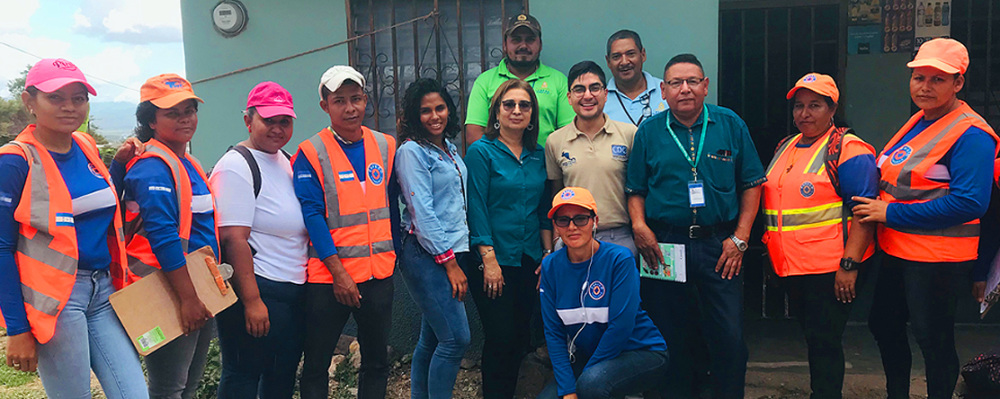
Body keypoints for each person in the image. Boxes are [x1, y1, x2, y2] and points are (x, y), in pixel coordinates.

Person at [853, 38, 999, 399]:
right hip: (898, 252)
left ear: (958, 83)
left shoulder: (971, 134)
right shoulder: (920, 122)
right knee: (883, 325)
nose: (925, 87)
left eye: (937, 79)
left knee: (933, 340)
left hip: (936, 260)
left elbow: (970, 203)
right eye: (919, 77)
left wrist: (890, 212)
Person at [0, 58, 148, 398]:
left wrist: (120, 166)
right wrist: (18, 329)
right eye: (56, 97)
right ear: (29, 102)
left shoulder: (85, 145)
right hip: (57, 300)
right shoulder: (15, 161)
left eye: (79, 97)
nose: (69, 107)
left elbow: (98, 202)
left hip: (103, 290)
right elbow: (2, 247)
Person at [625, 53, 766, 399]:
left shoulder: (730, 124)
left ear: (705, 86)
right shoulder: (649, 132)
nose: (684, 89)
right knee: (669, 333)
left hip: (721, 246)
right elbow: (635, 189)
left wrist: (742, 237)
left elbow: (752, 183)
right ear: (663, 90)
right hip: (664, 246)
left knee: (728, 335)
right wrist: (640, 226)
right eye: (675, 83)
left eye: (692, 81)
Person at [761, 73, 878, 399]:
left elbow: (865, 216)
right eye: (799, 106)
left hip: (832, 269)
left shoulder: (850, 150)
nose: (804, 113)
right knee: (814, 338)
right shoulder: (786, 145)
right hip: (794, 268)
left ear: (832, 109)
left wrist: (850, 264)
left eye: (815, 105)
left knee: (825, 341)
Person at [294, 65, 398, 399]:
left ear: (366, 100)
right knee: (316, 365)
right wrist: (339, 273)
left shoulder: (386, 146)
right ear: (325, 105)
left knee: (377, 362)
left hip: (378, 274)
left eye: (356, 99)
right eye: (340, 100)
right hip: (329, 279)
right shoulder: (311, 152)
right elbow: (312, 216)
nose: (350, 108)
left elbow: (392, 206)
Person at [122, 73, 219, 399]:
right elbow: (164, 235)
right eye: (172, 113)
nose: (184, 118)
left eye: (189, 110)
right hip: (165, 288)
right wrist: (188, 299)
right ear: (150, 121)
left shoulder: (186, 161)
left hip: (195, 284)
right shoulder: (152, 167)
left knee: (188, 385)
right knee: (169, 389)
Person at [209, 81, 307, 399]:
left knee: (280, 377)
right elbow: (234, 240)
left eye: (285, 121)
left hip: (291, 292)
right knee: (243, 376)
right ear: (248, 120)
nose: (277, 129)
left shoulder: (286, 161)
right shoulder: (237, 166)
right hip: (257, 291)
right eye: (269, 120)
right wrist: (251, 301)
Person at [465, 79, 553, 399]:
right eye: (509, 104)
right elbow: (476, 205)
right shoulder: (481, 152)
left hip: (529, 259)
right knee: (500, 337)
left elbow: (544, 210)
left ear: (532, 115)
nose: (517, 110)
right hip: (494, 261)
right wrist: (488, 259)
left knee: (519, 338)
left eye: (524, 105)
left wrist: (547, 255)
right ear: (497, 112)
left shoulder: (538, 155)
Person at [537, 187, 669, 399]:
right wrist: (568, 389)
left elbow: (621, 328)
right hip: (589, 358)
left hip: (639, 351)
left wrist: (583, 382)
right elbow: (553, 333)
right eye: (563, 220)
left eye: (581, 219)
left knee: (592, 385)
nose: (572, 227)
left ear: (594, 221)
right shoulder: (551, 266)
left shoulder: (619, 259)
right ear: (555, 226)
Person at [394, 78, 472, 399]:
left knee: (432, 338)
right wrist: (451, 264)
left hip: (449, 251)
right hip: (427, 256)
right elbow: (422, 214)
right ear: (415, 115)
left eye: (440, 108)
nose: (434, 116)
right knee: (456, 339)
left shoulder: (448, 149)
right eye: (425, 111)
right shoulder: (412, 151)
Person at [545, 61, 637, 254]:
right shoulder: (555, 141)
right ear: (569, 98)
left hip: (619, 237)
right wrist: (556, 240)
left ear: (605, 94)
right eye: (579, 89)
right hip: (573, 237)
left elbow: (639, 190)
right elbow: (555, 193)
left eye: (594, 88)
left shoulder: (629, 134)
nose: (587, 95)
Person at [465, 13, 574, 146]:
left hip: (546, 164)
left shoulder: (559, 81)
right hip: (498, 165)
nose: (523, 45)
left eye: (530, 40)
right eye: (516, 40)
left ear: (540, 44)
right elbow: (474, 135)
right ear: (505, 45)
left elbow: (568, 134)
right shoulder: (485, 82)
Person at [603, 30, 669, 126]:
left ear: (643, 55)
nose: (624, 62)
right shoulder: (599, 99)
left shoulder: (666, 90)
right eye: (617, 56)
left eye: (630, 54)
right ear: (608, 61)